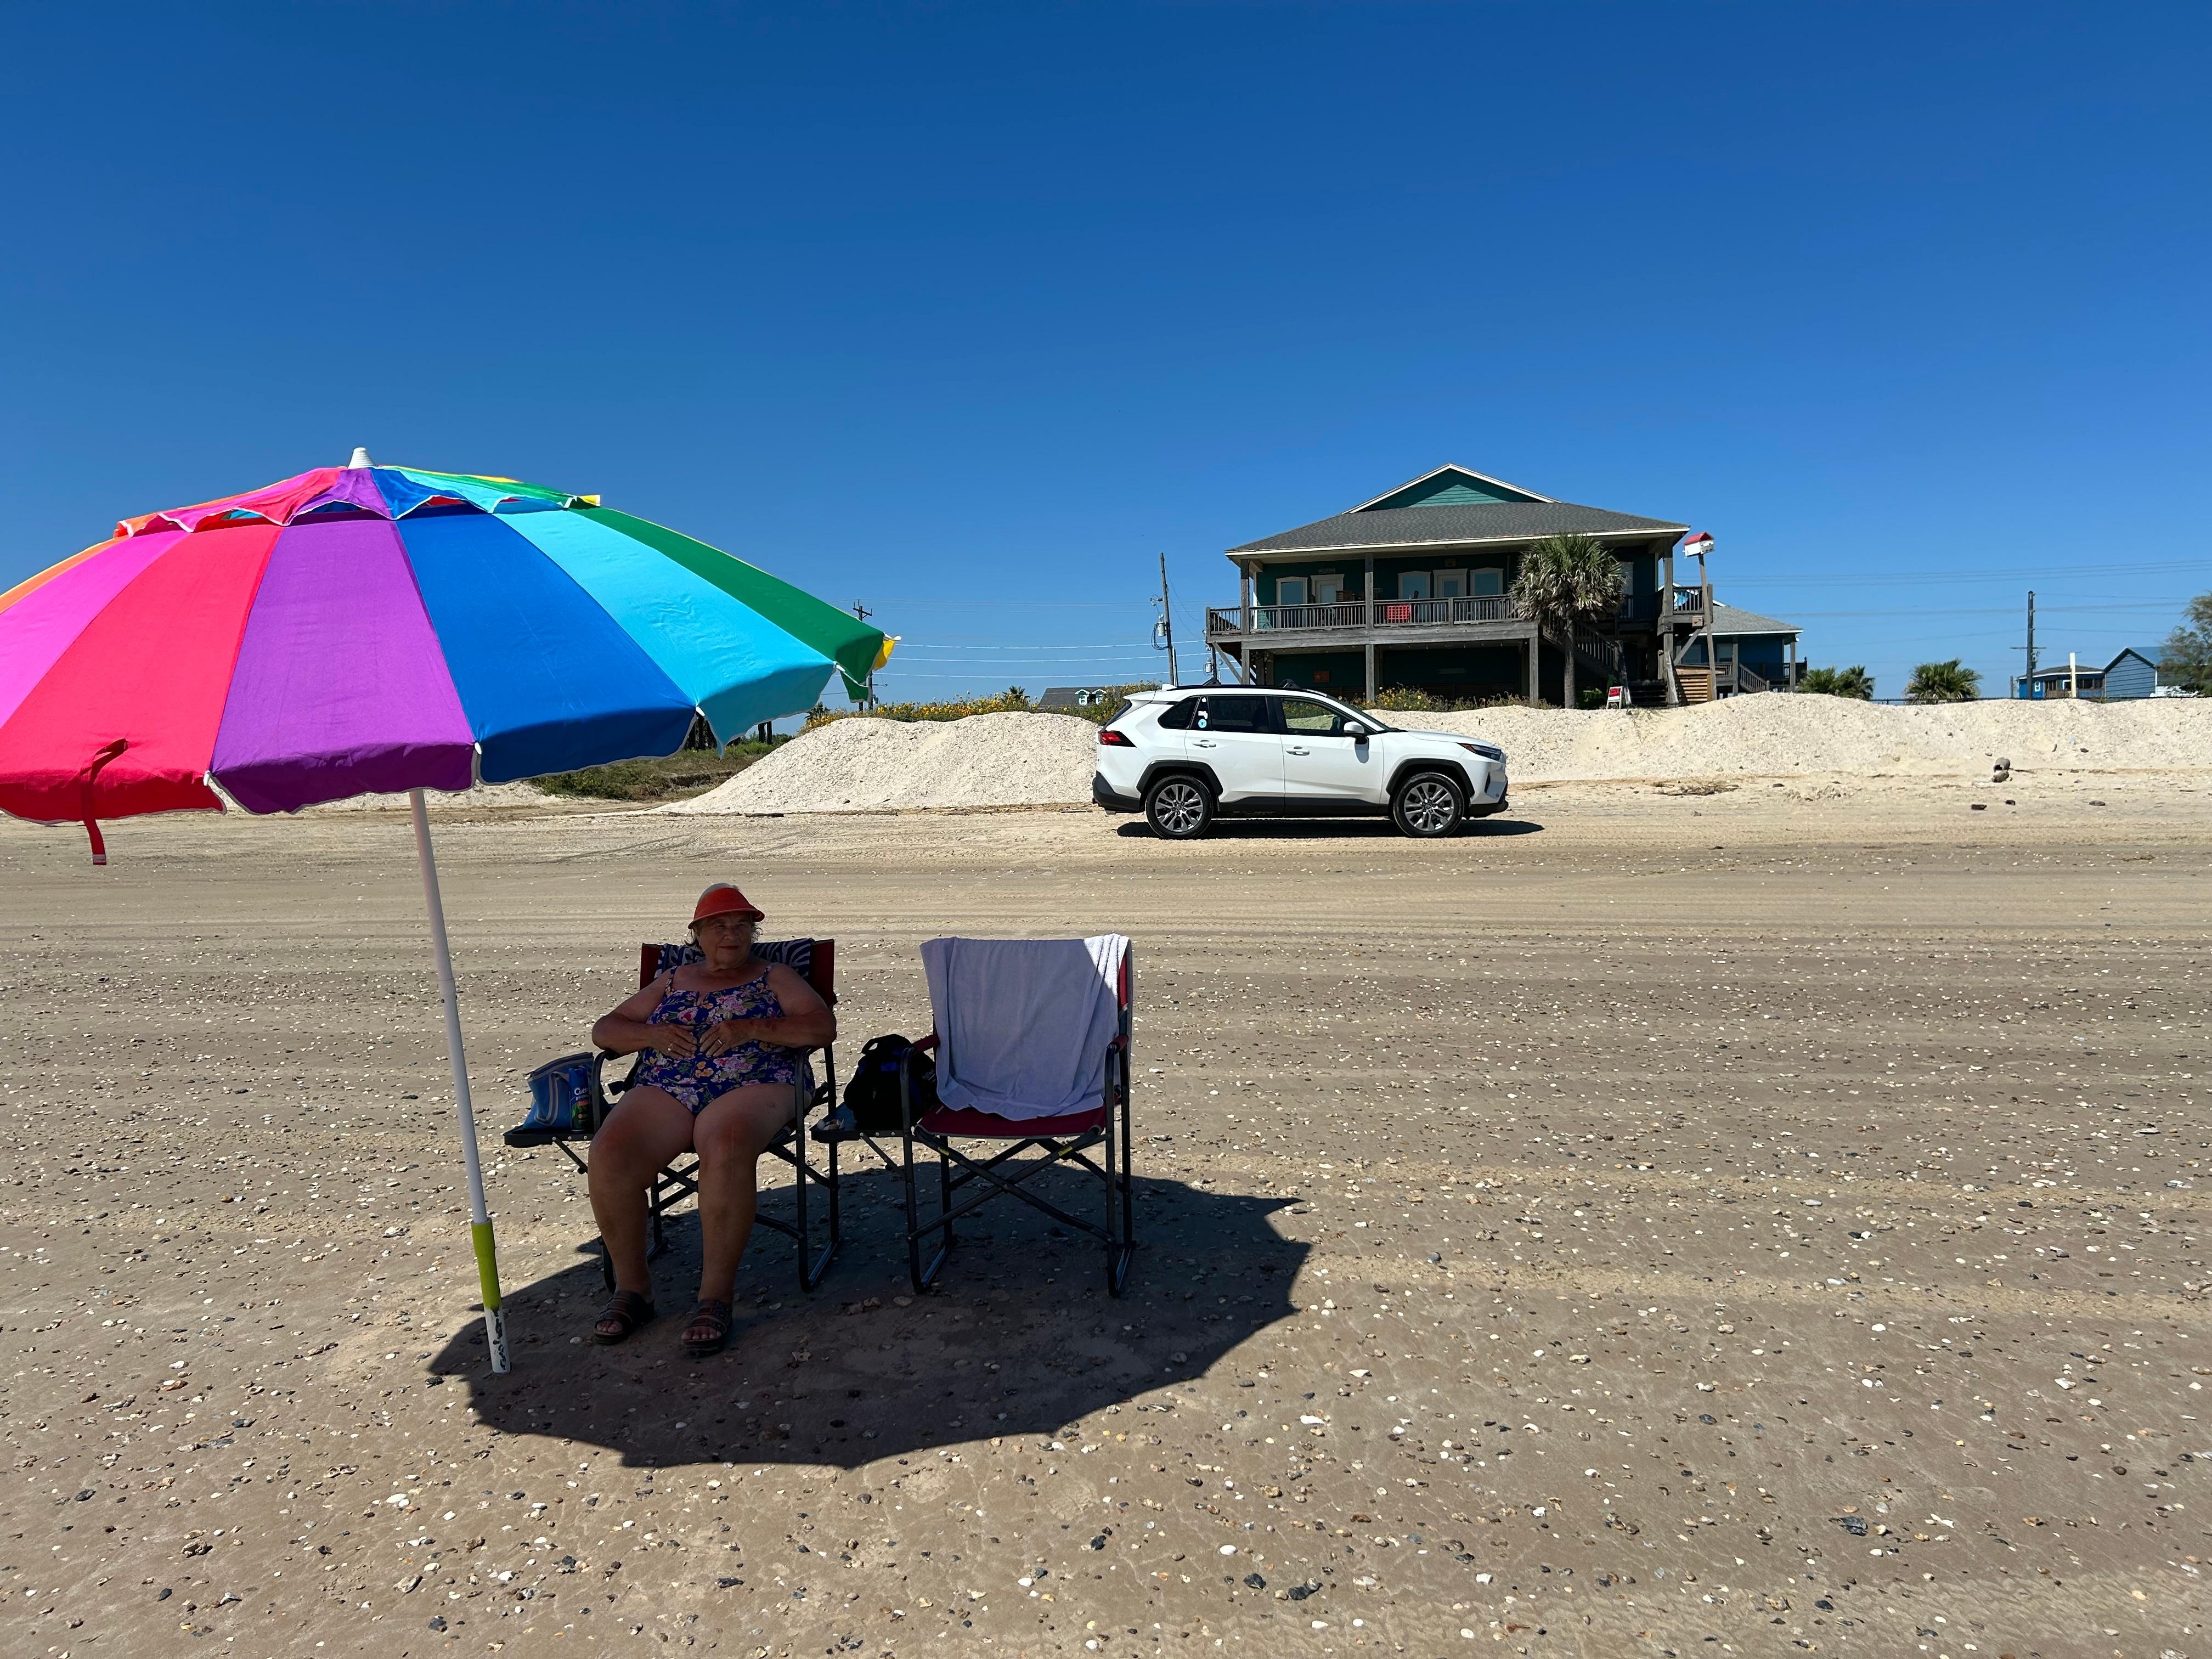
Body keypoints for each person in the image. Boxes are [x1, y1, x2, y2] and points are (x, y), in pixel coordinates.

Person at [585, 883, 836, 1355]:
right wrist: (653, 1036)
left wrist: (752, 1028)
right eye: (719, 925)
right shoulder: (673, 979)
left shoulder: (775, 975)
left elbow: (822, 1028)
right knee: (611, 1150)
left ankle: (715, 1296)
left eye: (743, 925)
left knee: (725, 1142)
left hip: (757, 1081)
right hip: (669, 1087)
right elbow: (606, 1031)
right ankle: (633, 1290)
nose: (732, 934)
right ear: (696, 932)